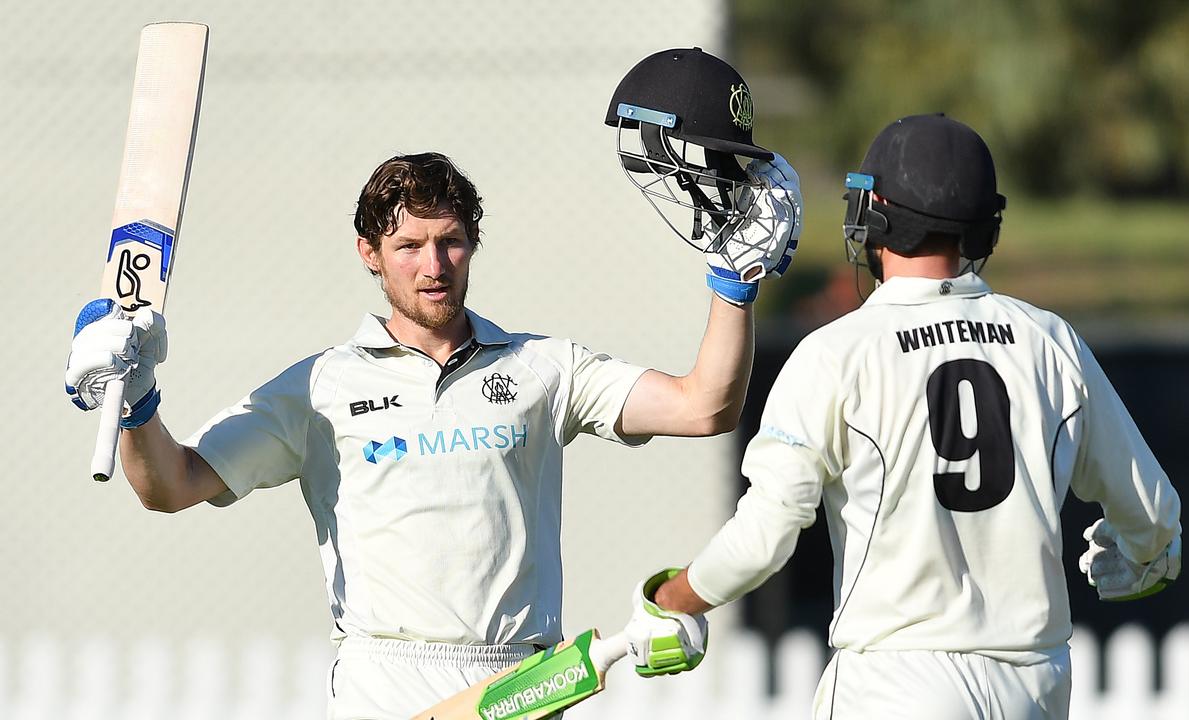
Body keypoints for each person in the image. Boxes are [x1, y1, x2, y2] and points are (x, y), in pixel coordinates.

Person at [64, 49, 800, 720]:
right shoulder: (318, 387)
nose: (433, 264)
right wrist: (137, 403)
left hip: (523, 685)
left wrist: (733, 289)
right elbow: (169, 486)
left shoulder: (543, 367)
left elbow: (705, 406)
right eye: (409, 245)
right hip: (383, 683)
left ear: (473, 242)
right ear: (370, 255)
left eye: (449, 240)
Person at [645, 114, 1182, 719]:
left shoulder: (836, 352)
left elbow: (766, 536)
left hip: (895, 684)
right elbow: (1155, 516)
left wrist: (673, 597)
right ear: (985, 226)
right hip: (1032, 687)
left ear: (873, 214)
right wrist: (1144, 556)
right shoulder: (1050, 341)